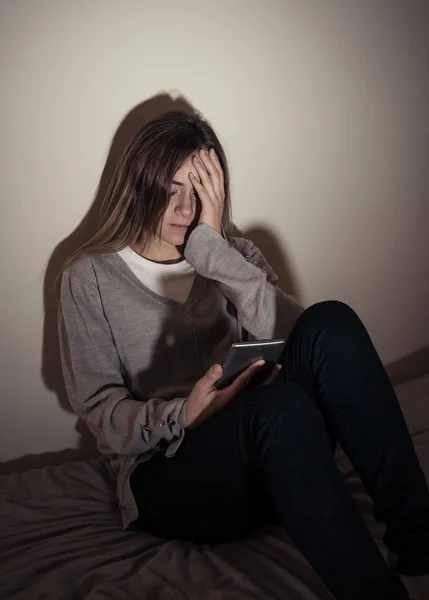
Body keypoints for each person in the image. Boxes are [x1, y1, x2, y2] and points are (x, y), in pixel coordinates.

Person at [58, 110, 429, 600]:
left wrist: (213, 254)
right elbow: (101, 410)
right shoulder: (89, 279)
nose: (185, 209)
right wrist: (181, 415)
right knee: (280, 408)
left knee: (330, 321)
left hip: (275, 456)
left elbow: (302, 341)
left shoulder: (235, 257)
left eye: (201, 192)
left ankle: (420, 539)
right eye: (171, 189)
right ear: (140, 184)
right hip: (171, 477)